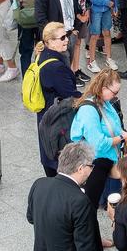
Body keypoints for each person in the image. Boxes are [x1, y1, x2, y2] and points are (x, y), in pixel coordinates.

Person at [72, 69, 127, 208]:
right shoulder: (89, 111)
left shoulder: (104, 102)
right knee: (90, 204)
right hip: (96, 165)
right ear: (103, 88)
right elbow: (99, 144)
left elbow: (114, 125)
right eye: (115, 92)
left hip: (107, 160)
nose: (116, 95)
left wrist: (124, 135)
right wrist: (123, 137)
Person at [27, 141, 104, 251]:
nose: (92, 170)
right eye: (90, 166)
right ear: (80, 169)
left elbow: (31, 218)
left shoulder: (39, 184)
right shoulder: (80, 201)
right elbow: (86, 249)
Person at [32, 22, 83, 175]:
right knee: (59, 163)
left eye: (66, 36)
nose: (66, 40)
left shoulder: (42, 56)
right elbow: (71, 95)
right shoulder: (56, 68)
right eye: (61, 38)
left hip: (46, 117)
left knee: (48, 156)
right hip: (58, 121)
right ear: (49, 42)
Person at [35, 0, 86, 82]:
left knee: (66, 69)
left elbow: (75, 5)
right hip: (55, 41)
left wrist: (75, 28)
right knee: (57, 74)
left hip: (70, 34)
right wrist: (55, 39)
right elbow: (41, 19)